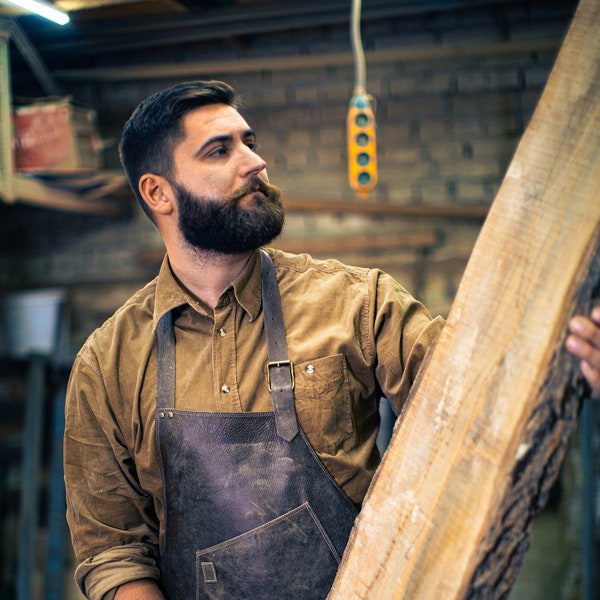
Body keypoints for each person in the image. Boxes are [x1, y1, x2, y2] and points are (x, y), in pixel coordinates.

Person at [64, 80, 600, 600]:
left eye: (250, 143)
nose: (254, 162)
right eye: (218, 151)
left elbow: (478, 397)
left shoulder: (357, 304)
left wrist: (574, 357)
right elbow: (111, 550)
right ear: (158, 192)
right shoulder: (108, 363)